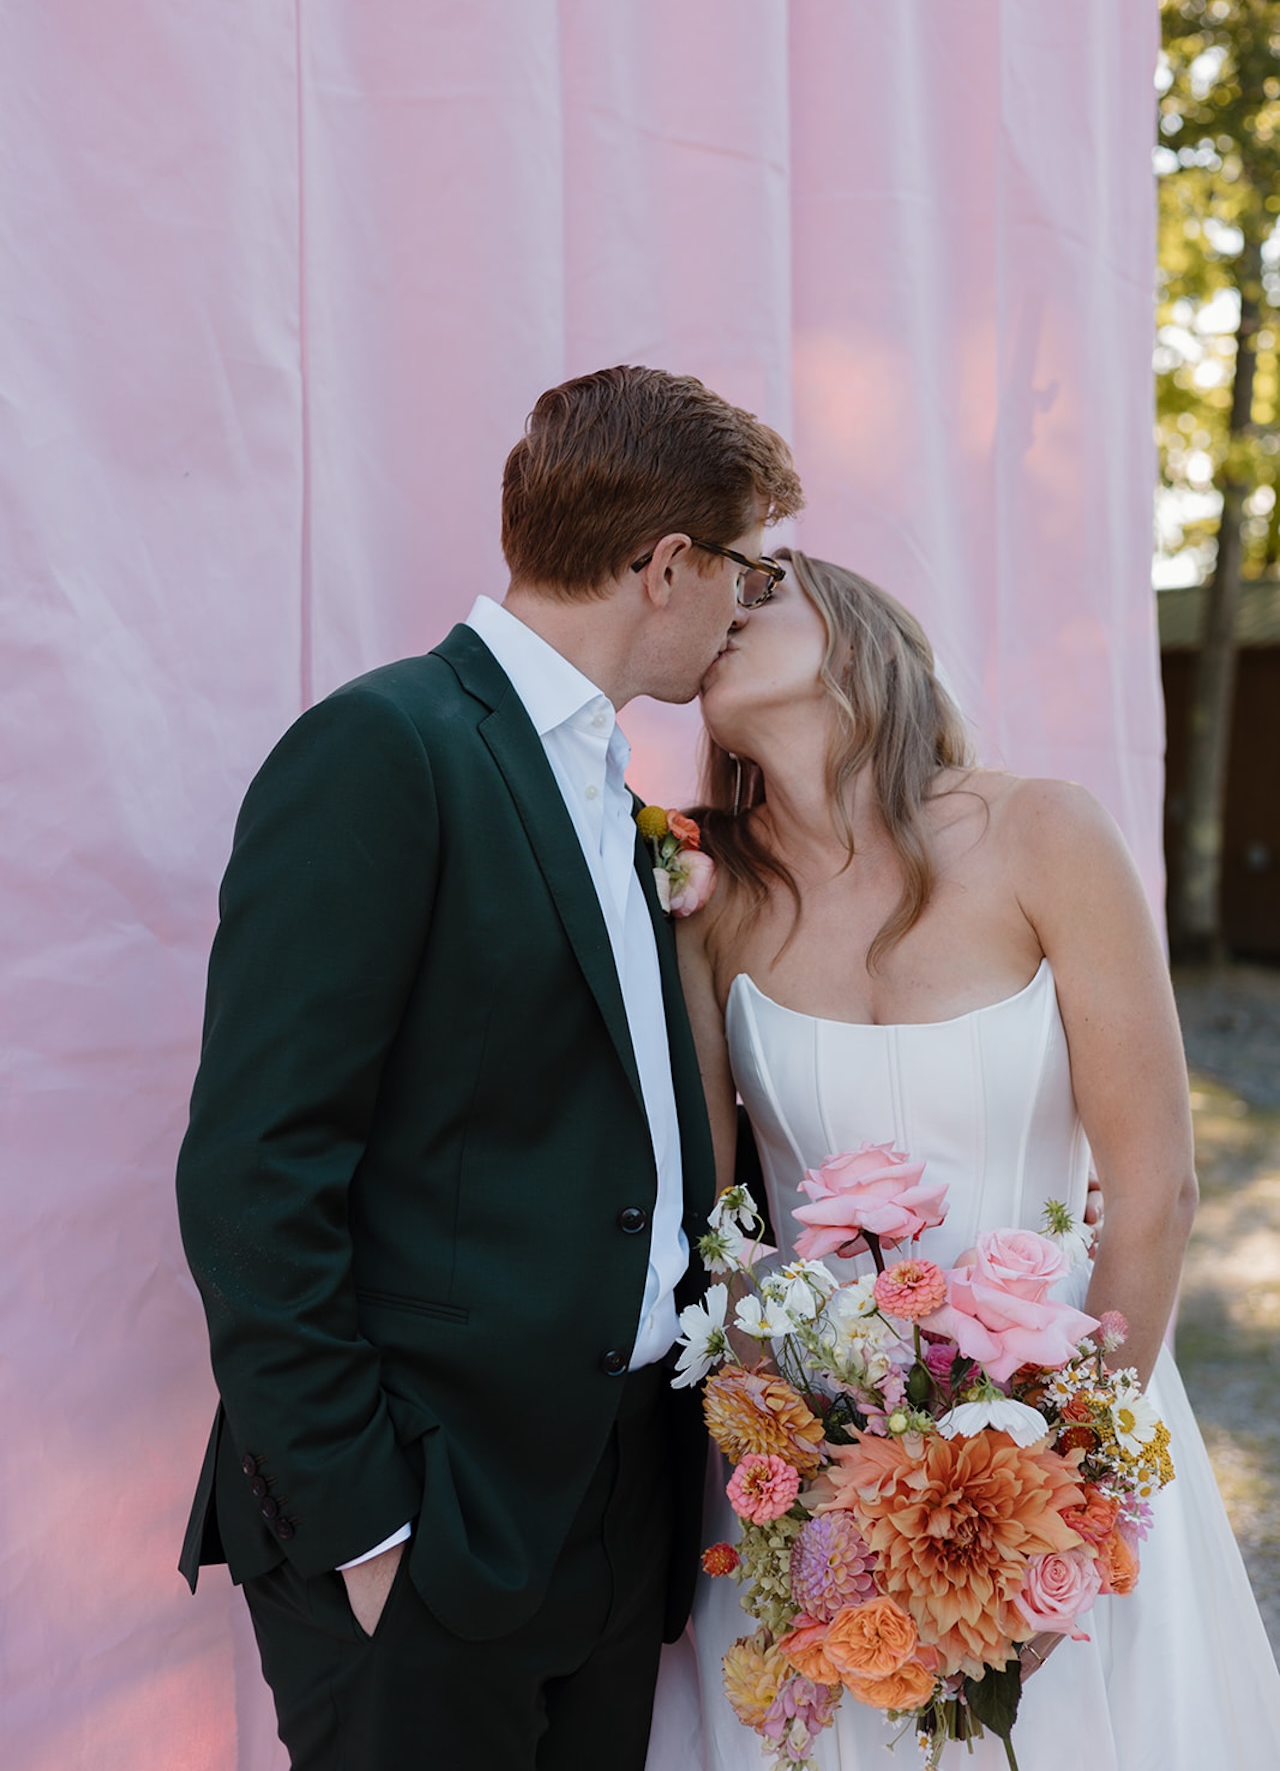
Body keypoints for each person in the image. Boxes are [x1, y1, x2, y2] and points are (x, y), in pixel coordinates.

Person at [174, 364, 804, 1770]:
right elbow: (252, 1176)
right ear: (667, 566)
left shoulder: (614, 789)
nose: (745, 609)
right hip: (429, 1516)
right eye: (746, 575)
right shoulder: (383, 749)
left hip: (612, 1508)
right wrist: (368, 1523)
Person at [645, 548, 1280, 1769]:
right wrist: (803, 1475)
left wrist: (1067, 1508)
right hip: (820, 1472)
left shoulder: (1040, 830)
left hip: (1067, 1419)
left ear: (859, 632)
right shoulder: (710, 892)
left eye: (765, 588)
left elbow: (1153, 1191)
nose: (727, 608)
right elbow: (721, 1224)